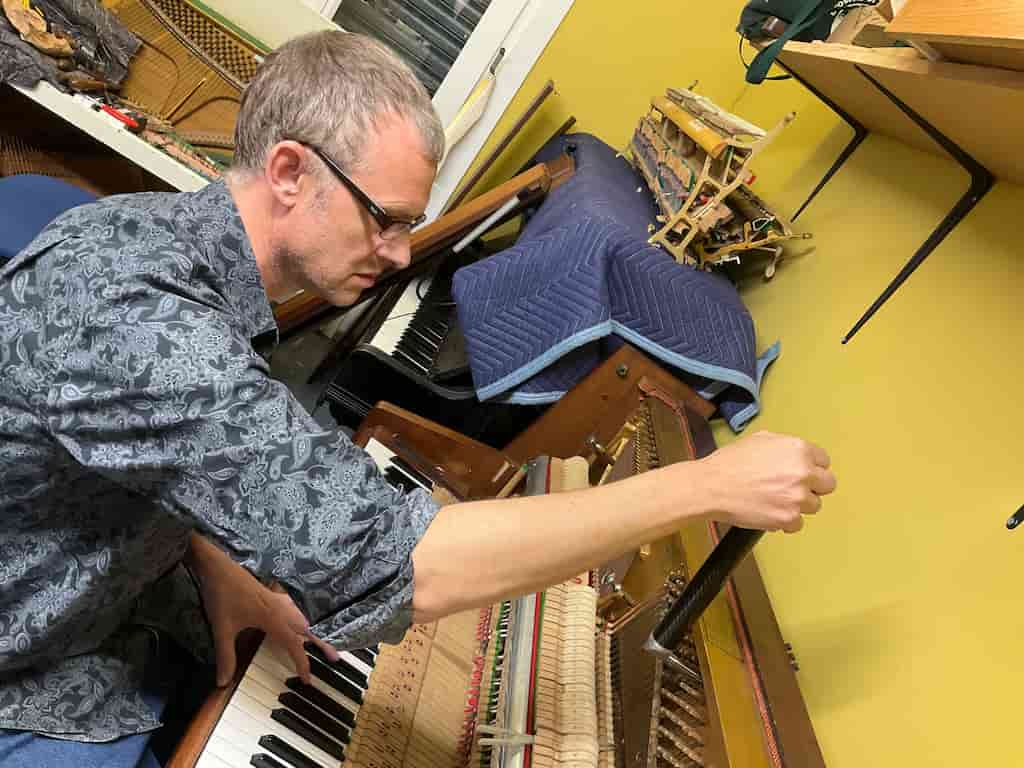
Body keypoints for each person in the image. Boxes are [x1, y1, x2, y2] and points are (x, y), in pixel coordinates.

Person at [0, 30, 837, 765]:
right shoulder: (143, 323)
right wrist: (704, 489)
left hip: (92, 580)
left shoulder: (169, 243)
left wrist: (210, 552)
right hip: (28, 660)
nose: (402, 255)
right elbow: (401, 564)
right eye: (384, 220)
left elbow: (150, 443)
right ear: (290, 171)